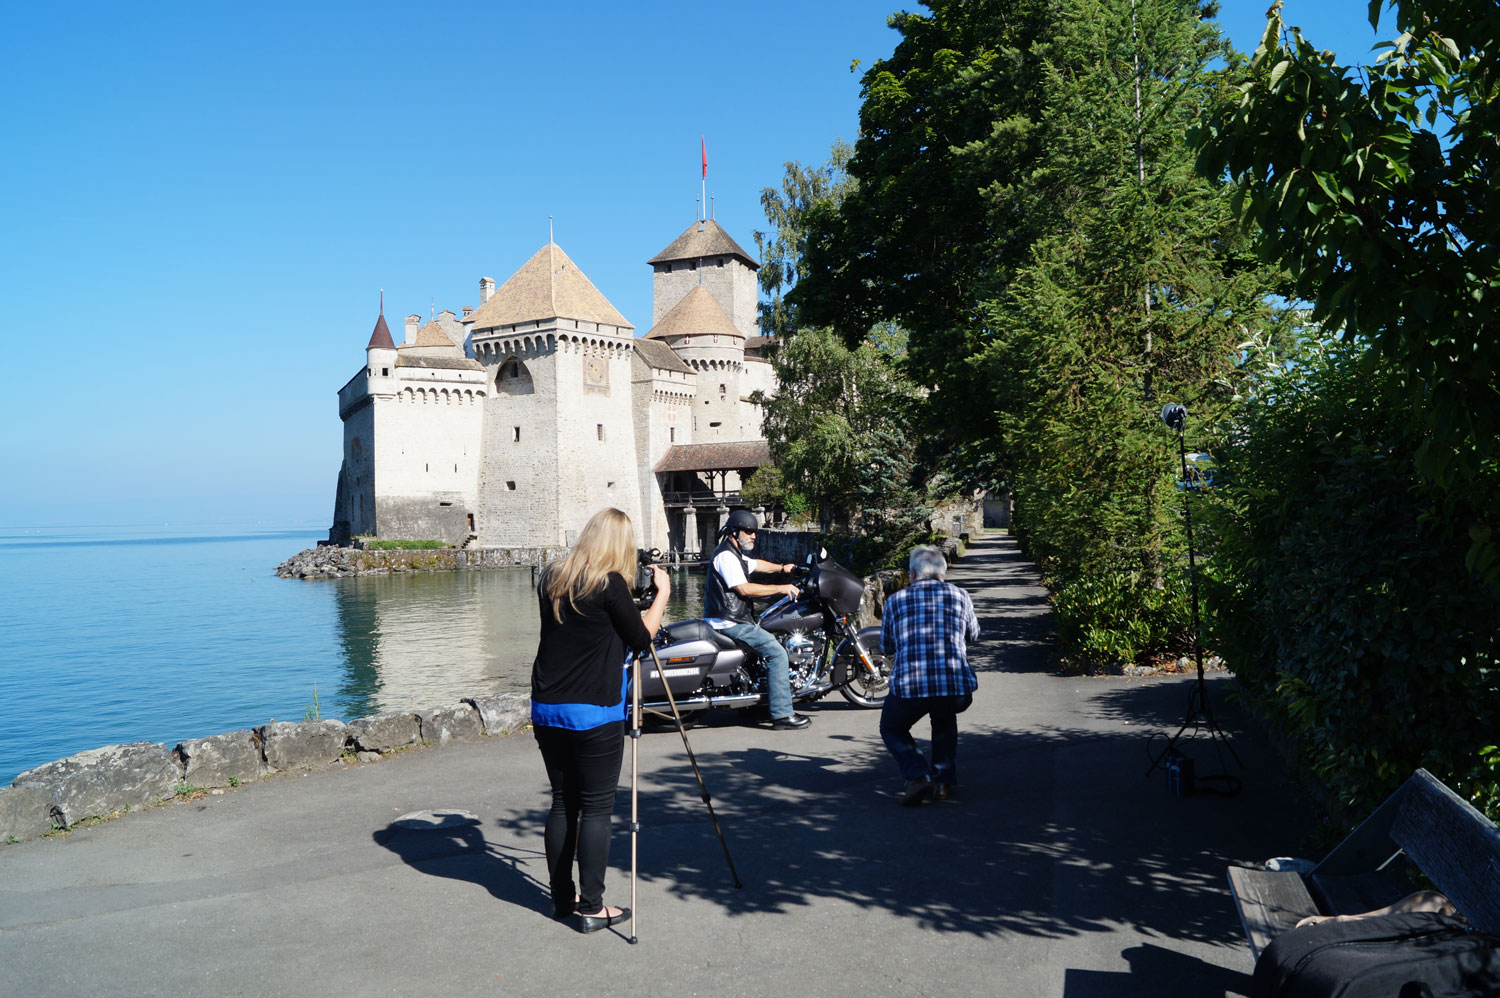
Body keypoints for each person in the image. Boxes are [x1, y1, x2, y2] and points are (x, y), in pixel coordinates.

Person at [531, 507, 670, 933]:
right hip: (595, 711)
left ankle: (561, 898)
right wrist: (661, 592)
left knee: (562, 803)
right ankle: (592, 907)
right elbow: (641, 639)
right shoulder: (610, 585)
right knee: (595, 808)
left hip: (546, 707)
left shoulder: (552, 577)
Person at [879, 544, 980, 805]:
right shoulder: (960, 596)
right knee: (944, 714)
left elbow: (886, 646)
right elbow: (974, 634)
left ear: (912, 573)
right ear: (942, 573)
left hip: (910, 689)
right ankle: (943, 782)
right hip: (956, 688)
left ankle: (917, 776)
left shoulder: (895, 600)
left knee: (891, 726)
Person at [704, 508, 810, 730]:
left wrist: (784, 568)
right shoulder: (725, 556)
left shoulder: (735, 554)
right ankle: (782, 715)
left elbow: (757, 564)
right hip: (729, 622)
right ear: (734, 532)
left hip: (734, 619)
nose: (754, 535)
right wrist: (781, 588)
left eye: (754, 531)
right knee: (777, 653)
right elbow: (744, 589)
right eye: (749, 531)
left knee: (769, 638)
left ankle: (755, 704)